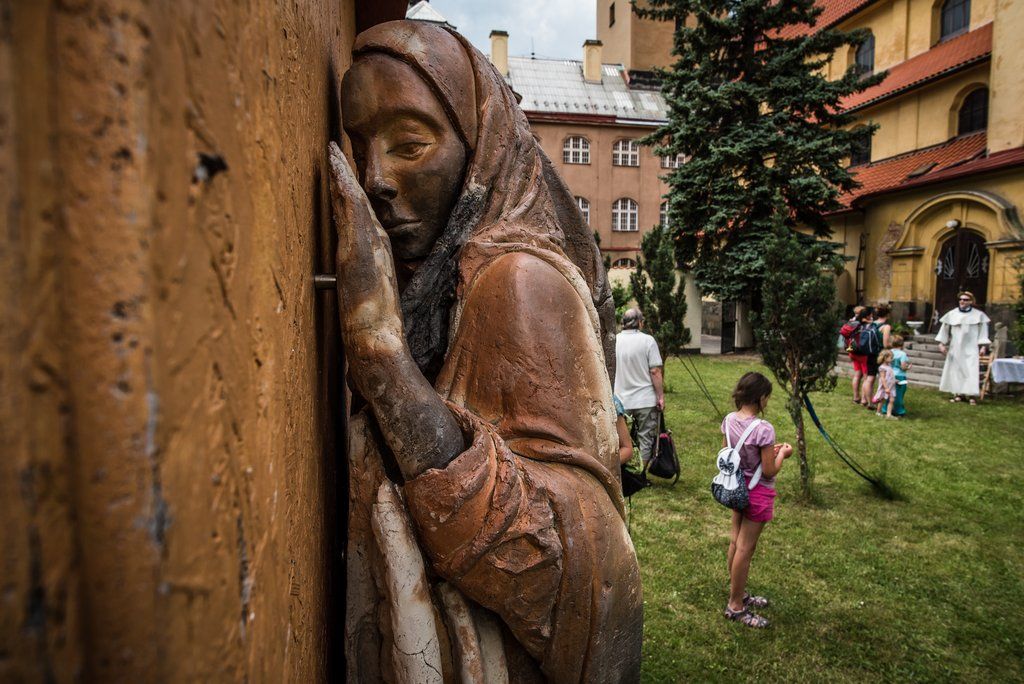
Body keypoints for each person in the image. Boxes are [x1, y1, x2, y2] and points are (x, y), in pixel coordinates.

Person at [333, 20, 641, 682]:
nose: (374, 179)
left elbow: (575, 560)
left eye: (409, 145)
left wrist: (380, 355)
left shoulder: (515, 281)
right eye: (360, 147)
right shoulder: (440, 278)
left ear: (481, 151)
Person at [721, 372, 793, 629]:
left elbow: (730, 453)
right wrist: (783, 454)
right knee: (745, 549)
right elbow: (770, 470)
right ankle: (735, 606)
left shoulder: (728, 420)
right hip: (757, 493)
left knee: (735, 542)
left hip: (735, 487)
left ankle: (737, 593)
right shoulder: (764, 429)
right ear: (761, 398)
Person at [614, 308, 665, 466]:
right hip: (645, 399)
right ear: (640, 322)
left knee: (622, 440)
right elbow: (655, 371)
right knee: (645, 438)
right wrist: (660, 397)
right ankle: (641, 474)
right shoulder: (648, 341)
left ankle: (623, 472)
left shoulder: (614, 340)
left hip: (621, 400)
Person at [936, 291, 992, 405]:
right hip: (956, 347)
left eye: (965, 300)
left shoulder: (979, 315)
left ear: (971, 301)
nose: (962, 301)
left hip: (971, 347)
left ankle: (971, 395)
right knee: (956, 370)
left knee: (971, 370)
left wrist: (983, 346)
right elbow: (944, 330)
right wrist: (941, 344)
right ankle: (958, 394)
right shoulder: (952, 314)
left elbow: (983, 333)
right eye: (961, 299)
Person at [841, 306, 866, 403]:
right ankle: (864, 399)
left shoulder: (851, 321)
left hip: (852, 350)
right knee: (866, 376)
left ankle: (856, 397)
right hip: (862, 352)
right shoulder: (862, 323)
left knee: (857, 374)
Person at [889, 335, 911, 416]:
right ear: (902, 344)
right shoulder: (902, 354)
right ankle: (899, 411)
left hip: (890, 375)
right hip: (900, 376)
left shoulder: (889, 352)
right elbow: (903, 367)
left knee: (889, 393)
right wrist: (908, 367)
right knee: (899, 394)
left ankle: (886, 408)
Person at [873, 350, 897, 419]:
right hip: (885, 386)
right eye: (891, 358)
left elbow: (890, 376)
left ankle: (888, 414)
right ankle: (878, 412)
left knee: (892, 400)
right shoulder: (882, 367)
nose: (892, 359)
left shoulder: (889, 366)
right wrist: (886, 388)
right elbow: (883, 378)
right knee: (882, 399)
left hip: (891, 386)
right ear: (885, 358)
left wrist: (894, 380)